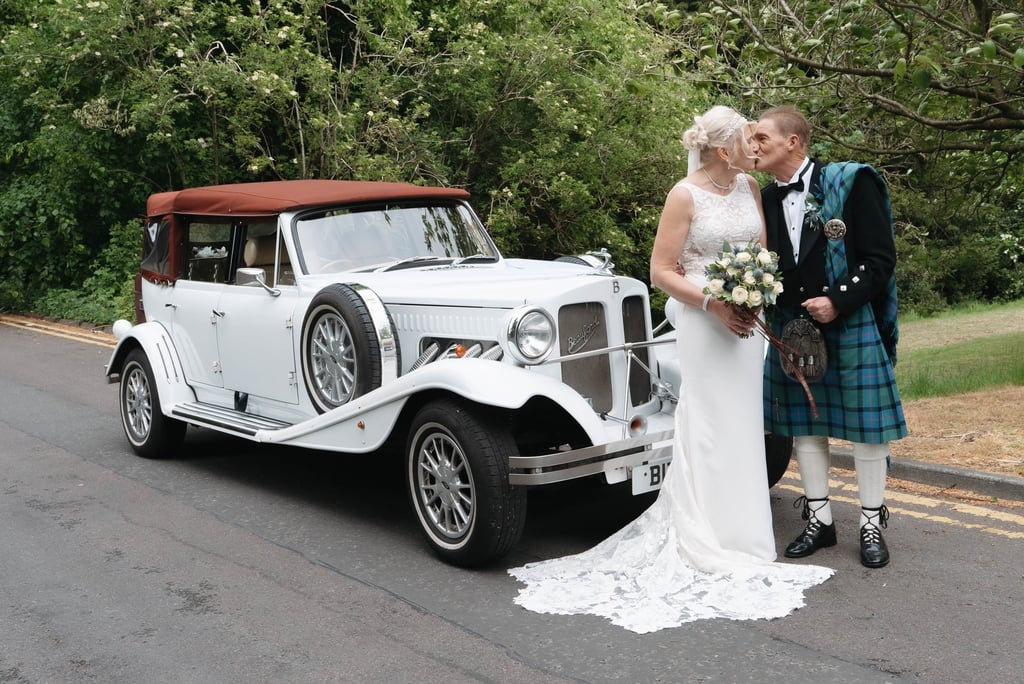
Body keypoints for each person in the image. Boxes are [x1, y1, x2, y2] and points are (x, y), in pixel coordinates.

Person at [507, 106, 833, 634]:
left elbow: (761, 253)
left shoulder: (750, 187)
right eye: (747, 138)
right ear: (722, 150)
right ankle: (707, 533)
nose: (755, 144)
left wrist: (756, 293)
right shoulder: (684, 196)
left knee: (744, 424)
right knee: (709, 423)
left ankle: (745, 536)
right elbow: (660, 271)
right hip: (705, 321)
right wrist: (715, 302)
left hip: (748, 320)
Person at [751, 105, 907, 569]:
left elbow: (880, 260)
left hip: (849, 321)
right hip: (791, 327)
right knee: (805, 428)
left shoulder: (850, 181)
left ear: (792, 141)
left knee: (867, 433)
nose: (752, 145)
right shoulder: (762, 199)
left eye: (761, 137)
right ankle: (819, 520)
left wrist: (839, 301)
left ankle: (871, 523)